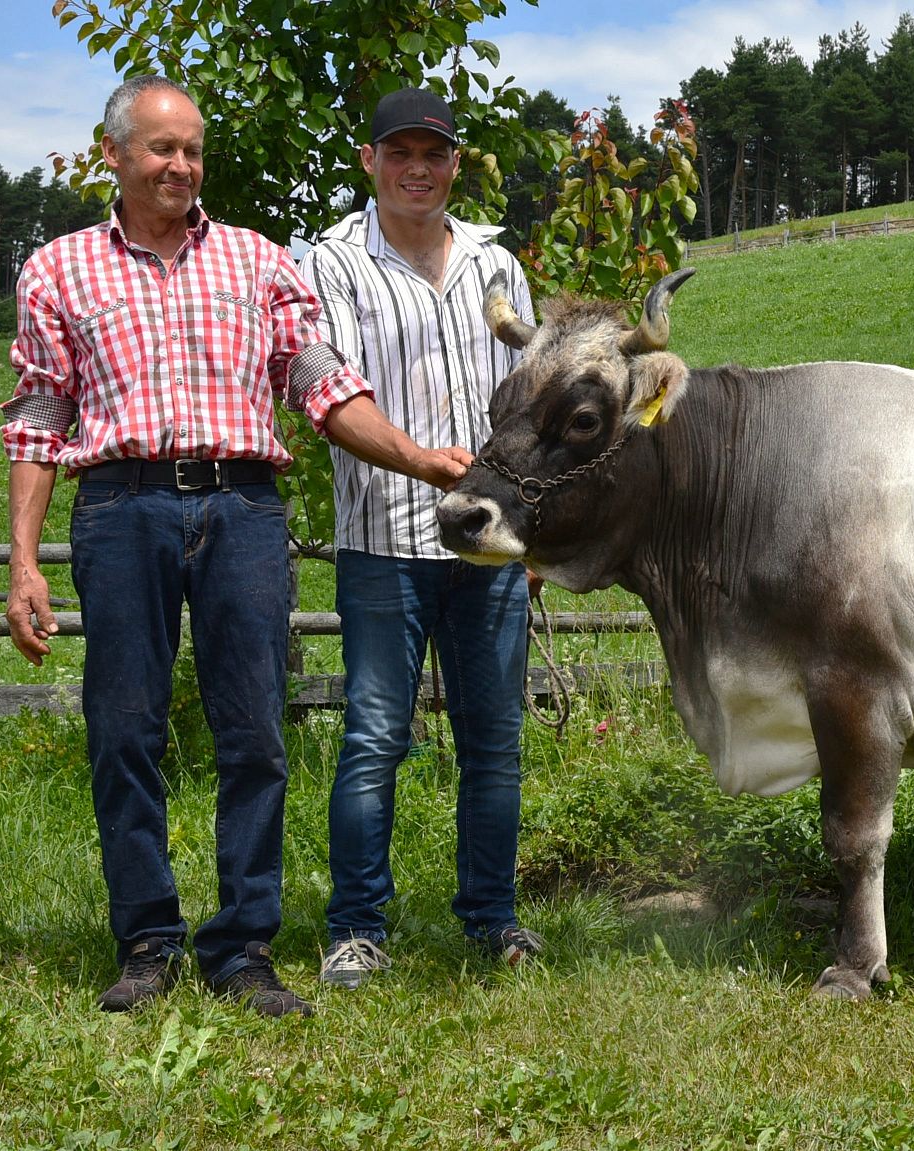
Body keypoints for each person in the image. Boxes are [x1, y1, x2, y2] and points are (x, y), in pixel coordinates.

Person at [3, 75, 470, 1016]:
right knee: (124, 730)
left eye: (194, 150)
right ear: (114, 155)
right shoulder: (58, 270)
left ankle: (243, 947)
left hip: (243, 510)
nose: (182, 166)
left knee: (254, 731)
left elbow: (323, 383)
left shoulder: (258, 262)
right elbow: (39, 416)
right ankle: (147, 939)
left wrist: (418, 459)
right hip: (120, 508)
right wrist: (22, 559)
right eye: (163, 148)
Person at [297, 87, 542, 990]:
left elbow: (531, 403)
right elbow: (331, 399)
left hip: (489, 547)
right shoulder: (331, 264)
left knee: (495, 740)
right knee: (372, 737)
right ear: (368, 160)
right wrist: (425, 465)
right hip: (383, 543)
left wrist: (529, 521)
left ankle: (492, 919)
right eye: (398, 151)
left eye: (433, 153)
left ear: (454, 163)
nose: (417, 168)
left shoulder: (497, 264)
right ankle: (357, 929)